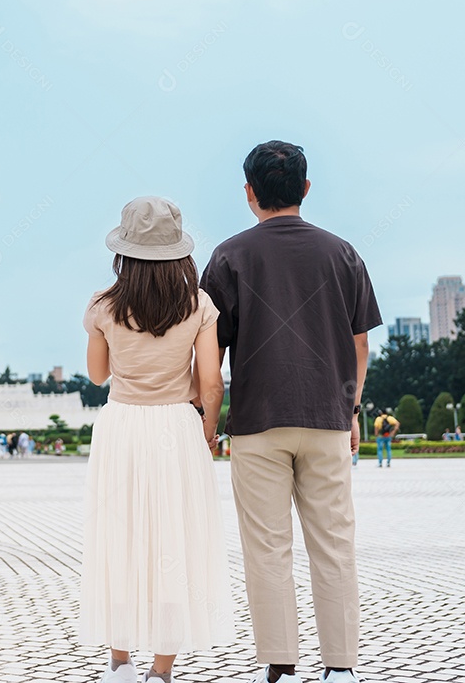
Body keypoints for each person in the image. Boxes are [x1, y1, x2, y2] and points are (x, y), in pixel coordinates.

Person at [201, 141, 381, 683]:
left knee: (267, 549)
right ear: (305, 189)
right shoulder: (342, 252)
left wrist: (206, 423)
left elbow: (211, 349)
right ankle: (342, 667)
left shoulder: (229, 256)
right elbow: (359, 345)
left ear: (250, 193)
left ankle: (280, 663)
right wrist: (350, 409)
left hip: (258, 422)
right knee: (334, 544)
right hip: (327, 417)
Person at [80, 195, 233, 683]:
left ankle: (120, 661)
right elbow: (212, 383)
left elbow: (98, 375)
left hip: (122, 426)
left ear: (124, 251)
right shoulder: (199, 305)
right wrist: (207, 431)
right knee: (176, 541)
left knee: (119, 540)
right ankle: (161, 670)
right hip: (176, 427)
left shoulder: (103, 305)